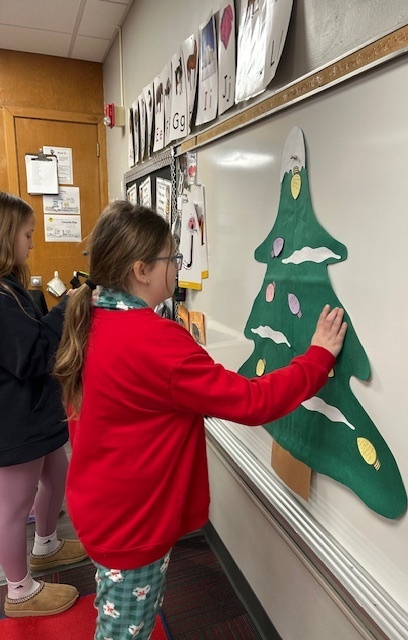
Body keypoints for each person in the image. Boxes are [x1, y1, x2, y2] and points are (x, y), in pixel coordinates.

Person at [54, 200, 347, 640]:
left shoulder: (95, 317)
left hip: (103, 510)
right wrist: (318, 357)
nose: (177, 267)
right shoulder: (153, 341)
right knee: (123, 631)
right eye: (172, 257)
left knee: (120, 615)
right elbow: (252, 402)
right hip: (133, 524)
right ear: (141, 270)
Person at [0, 191, 88, 618]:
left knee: (57, 471)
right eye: (27, 235)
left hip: (38, 413)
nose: (32, 243)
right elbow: (32, 356)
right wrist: (67, 307)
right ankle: (19, 590)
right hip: (15, 422)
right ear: (5, 236)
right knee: (13, 505)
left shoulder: (13, 288)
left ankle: (47, 544)